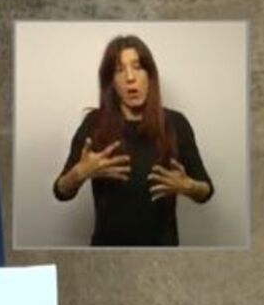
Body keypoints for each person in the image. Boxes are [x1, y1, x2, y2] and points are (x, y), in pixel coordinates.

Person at [53, 35, 213, 246]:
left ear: (150, 75)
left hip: (163, 251)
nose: (130, 77)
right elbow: (60, 191)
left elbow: (206, 191)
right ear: (111, 82)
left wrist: (189, 186)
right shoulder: (94, 123)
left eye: (137, 67)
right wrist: (78, 174)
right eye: (119, 70)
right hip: (107, 251)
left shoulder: (176, 123)